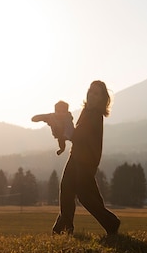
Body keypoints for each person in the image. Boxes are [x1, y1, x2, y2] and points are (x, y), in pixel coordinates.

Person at [51, 81, 120, 236]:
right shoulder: (87, 110)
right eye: (90, 90)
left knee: (85, 196)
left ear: (102, 99)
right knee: (69, 191)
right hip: (77, 156)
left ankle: (111, 223)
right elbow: (75, 135)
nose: (91, 94)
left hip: (85, 161)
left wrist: (65, 122)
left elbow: (77, 135)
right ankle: (63, 229)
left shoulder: (94, 115)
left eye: (96, 93)